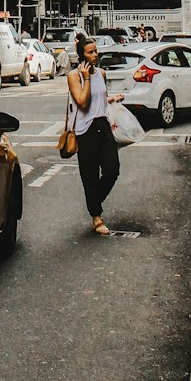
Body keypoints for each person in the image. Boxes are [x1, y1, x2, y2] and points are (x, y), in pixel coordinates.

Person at [66, 32, 126, 236]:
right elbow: (82, 103)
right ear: (82, 56)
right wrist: (85, 79)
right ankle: (96, 216)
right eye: (90, 52)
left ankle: (94, 201)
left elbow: (100, 100)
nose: (95, 55)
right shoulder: (74, 76)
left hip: (103, 124)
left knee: (112, 170)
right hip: (86, 129)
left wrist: (112, 99)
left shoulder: (102, 73)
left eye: (96, 51)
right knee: (90, 175)